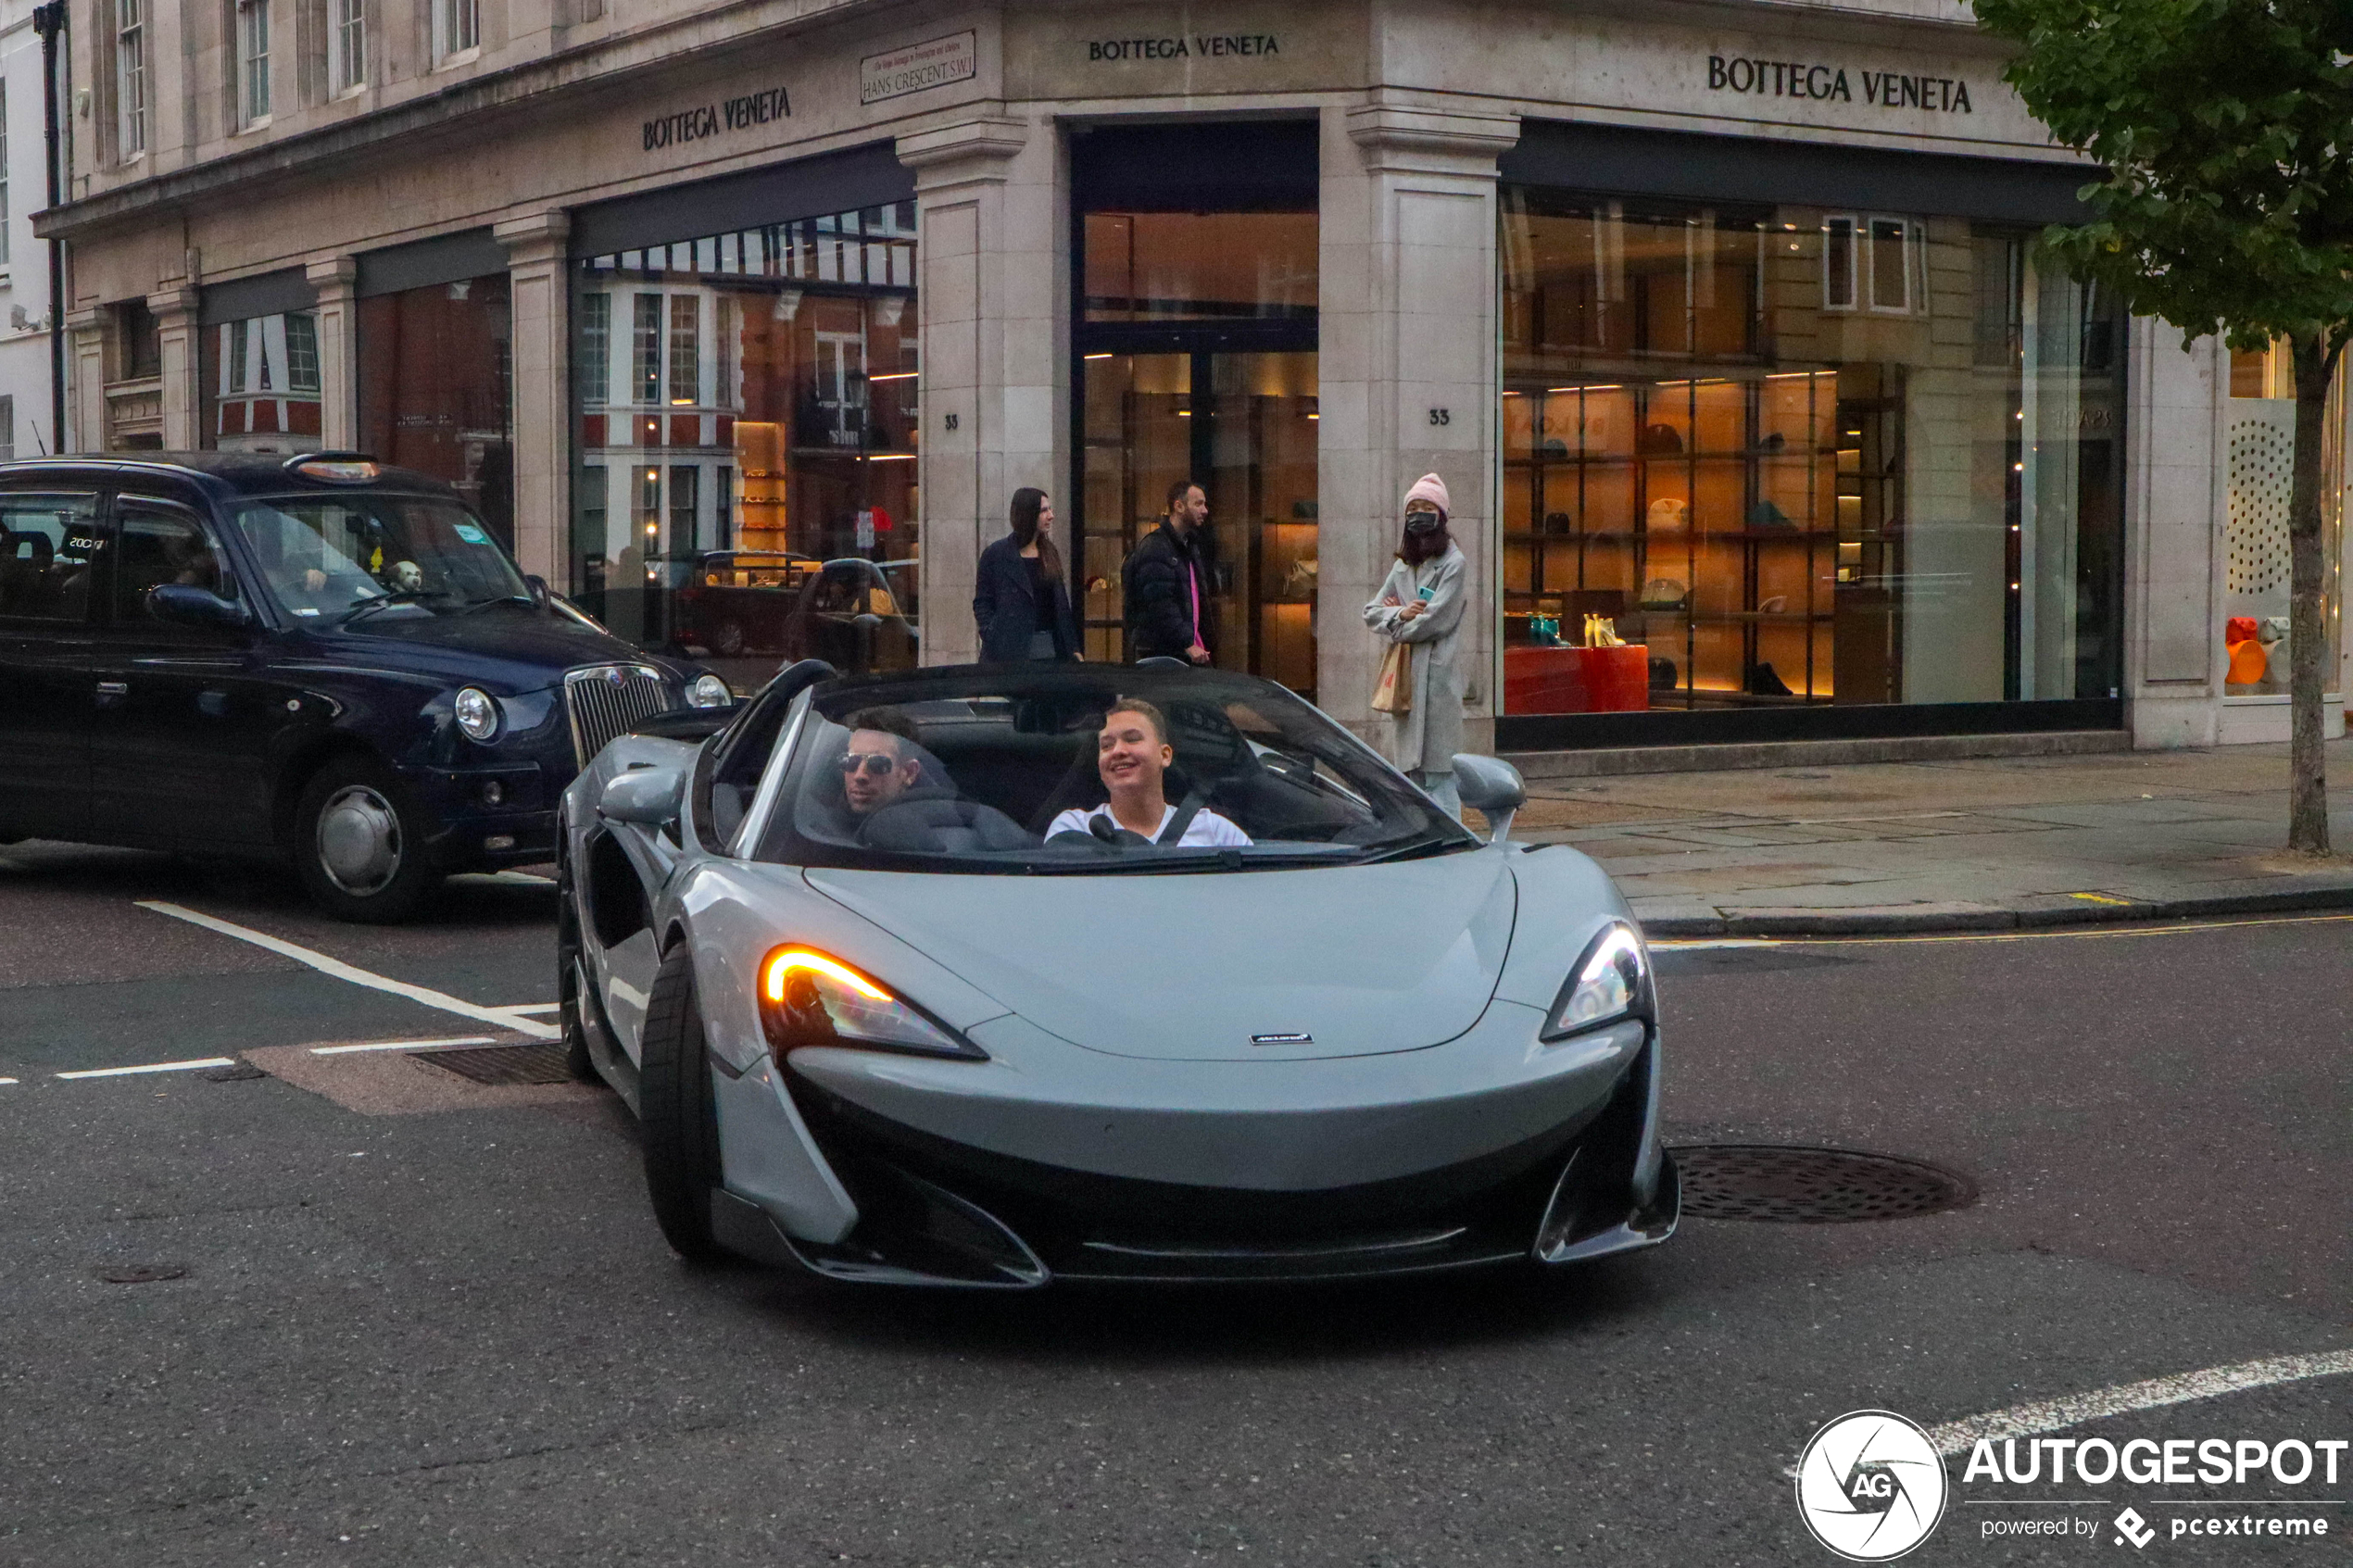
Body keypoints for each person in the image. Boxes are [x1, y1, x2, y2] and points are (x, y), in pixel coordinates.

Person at [1363, 473, 1469, 819]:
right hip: (1407, 681)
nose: (1419, 514)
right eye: (1414, 508)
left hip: (1437, 681)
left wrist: (1397, 624)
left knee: (1440, 776)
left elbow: (1436, 619)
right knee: (1411, 775)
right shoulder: (1402, 566)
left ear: (1442, 515)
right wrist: (1401, 613)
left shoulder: (1454, 564)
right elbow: (1371, 612)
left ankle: (1451, 844)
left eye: (1427, 507)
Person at [1048, 697, 1251, 847]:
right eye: (1107, 745)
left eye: (1132, 739)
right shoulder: (1073, 829)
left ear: (1165, 755)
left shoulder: (1216, 832)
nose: (1118, 751)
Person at [973, 486, 1079, 662]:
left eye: (1050, 509)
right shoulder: (996, 554)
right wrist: (993, 636)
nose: (1051, 515)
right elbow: (982, 603)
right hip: (1008, 654)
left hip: (1049, 653)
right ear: (1028, 514)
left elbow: (1061, 607)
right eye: (1044, 510)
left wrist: (1073, 648)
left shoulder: (1049, 552)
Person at [1122, 480, 1212, 665]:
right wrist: (1186, 643)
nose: (1205, 510)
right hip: (1163, 654)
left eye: (1204, 503)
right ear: (1178, 506)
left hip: (1183, 650)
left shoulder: (1189, 545)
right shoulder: (1156, 547)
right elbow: (1160, 601)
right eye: (1198, 504)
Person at [838, 708, 927, 819]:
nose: (859, 775)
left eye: (877, 763)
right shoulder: (819, 823)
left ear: (909, 772)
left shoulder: (922, 828)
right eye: (851, 761)